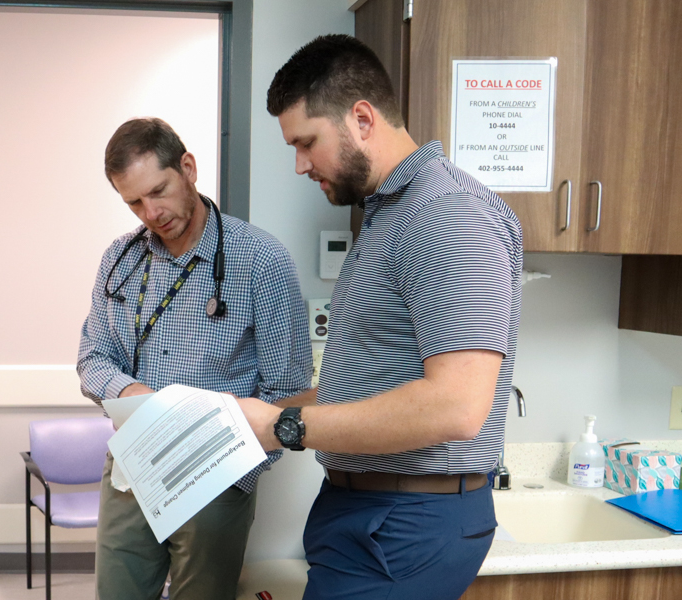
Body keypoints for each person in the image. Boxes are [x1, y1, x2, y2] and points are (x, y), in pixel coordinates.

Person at [237, 35, 523, 600]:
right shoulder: (390, 214)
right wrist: (254, 414)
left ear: (361, 118)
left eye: (306, 142)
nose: (299, 165)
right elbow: (368, 385)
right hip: (367, 511)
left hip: (406, 519)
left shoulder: (445, 213)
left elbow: (458, 406)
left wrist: (282, 427)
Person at [78, 117, 312, 600]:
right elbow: (92, 358)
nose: (151, 212)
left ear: (188, 167)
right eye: (134, 202)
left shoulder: (261, 262)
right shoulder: (119, 260)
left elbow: (291, 393)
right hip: (133, 468)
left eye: (158, 191)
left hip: (216, 476)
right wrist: (131, 392)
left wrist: (234, 464)